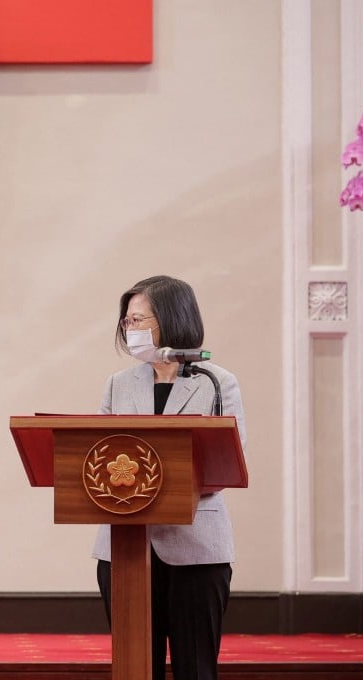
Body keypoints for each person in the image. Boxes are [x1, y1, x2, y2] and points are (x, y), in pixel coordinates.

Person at [92, 275, 246, 680]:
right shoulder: (118, 384)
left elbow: (226, 466)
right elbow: (98, 455)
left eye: (139, 320)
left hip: (195, 545)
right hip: (124, 547)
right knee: (135, 668)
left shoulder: (216, 382)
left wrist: (157, 484)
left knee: (195, 669)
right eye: (127, 321)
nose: (131, 329)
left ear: (172, 319)